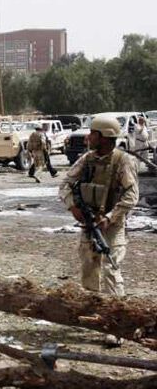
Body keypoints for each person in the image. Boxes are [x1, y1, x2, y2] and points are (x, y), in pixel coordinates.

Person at [59, 116, 138, 346]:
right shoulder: (87, 160)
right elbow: (65, 184)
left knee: (111, 272)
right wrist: (72, 206)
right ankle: (95, 316)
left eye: (92, 133)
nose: (88, 137)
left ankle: (117, 326)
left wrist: (110, 217)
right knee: (89, 271)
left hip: (111, 228)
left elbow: (131, 196)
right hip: (88, 224)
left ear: (104, 137)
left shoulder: (123, 161)